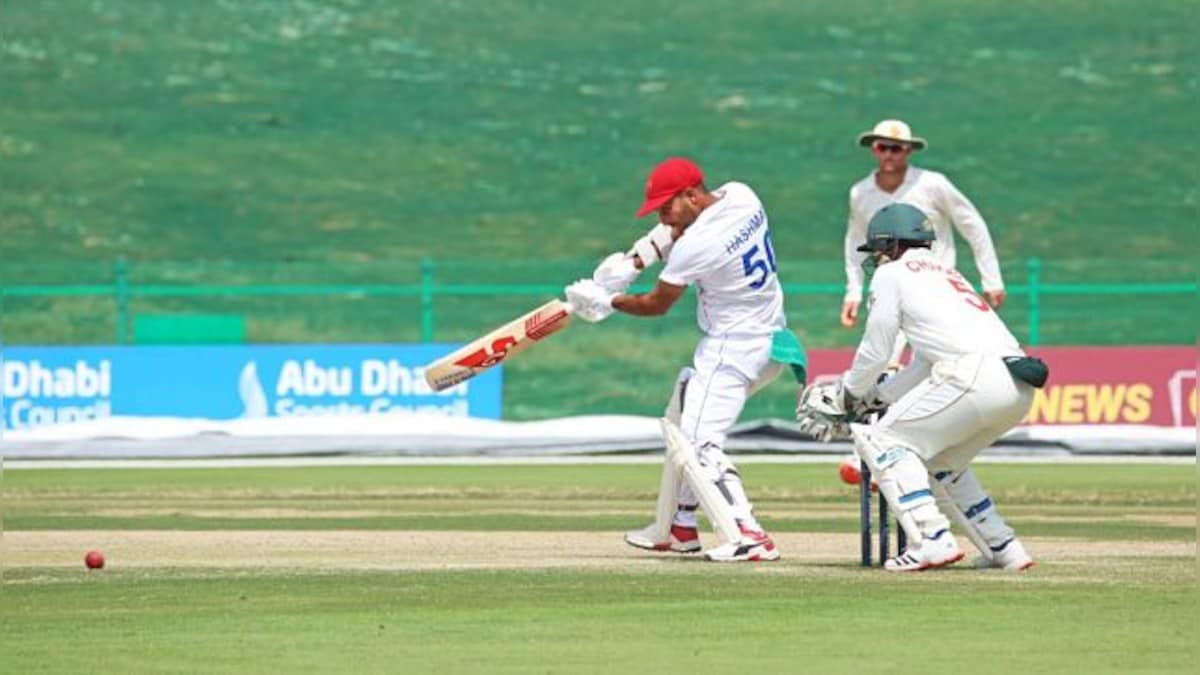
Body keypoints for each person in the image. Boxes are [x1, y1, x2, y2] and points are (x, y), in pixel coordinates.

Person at [563, 157, 807, 563]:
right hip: (771, 341)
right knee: (682, 411)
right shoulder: (743, 195)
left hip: (732, 348)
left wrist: (607, 300)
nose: (662, 216)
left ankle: (749, 534)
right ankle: (680, 525)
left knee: (698, 446)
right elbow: (671, 231)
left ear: (691, 196)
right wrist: (631, 263)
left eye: (666, 206)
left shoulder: (697, 245)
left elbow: (657, 304)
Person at [797, 203, 1045, 572]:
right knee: (942, 461)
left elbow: (877, 348)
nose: (878, 260)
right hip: (1018, 385)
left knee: (883, 439)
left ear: (893, 245)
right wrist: (877, 396)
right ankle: (1004, 548)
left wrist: (849, 394)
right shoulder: (946, 273)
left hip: (974, 377)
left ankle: (932, 539)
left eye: (879, 251)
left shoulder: (893, 274)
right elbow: (923, 366)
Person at [841, 120, 1006, 332]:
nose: (889, 154)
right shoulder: (860, 193)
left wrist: (992, 280)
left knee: (939, 355)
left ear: (908, 151)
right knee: (887, 357)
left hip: (937, 285)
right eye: (883, 147)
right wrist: (853, 292)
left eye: (896, 148)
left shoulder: (933, 184)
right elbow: (857, 242)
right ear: (874, 149)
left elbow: (972, 225)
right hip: (890, 287)